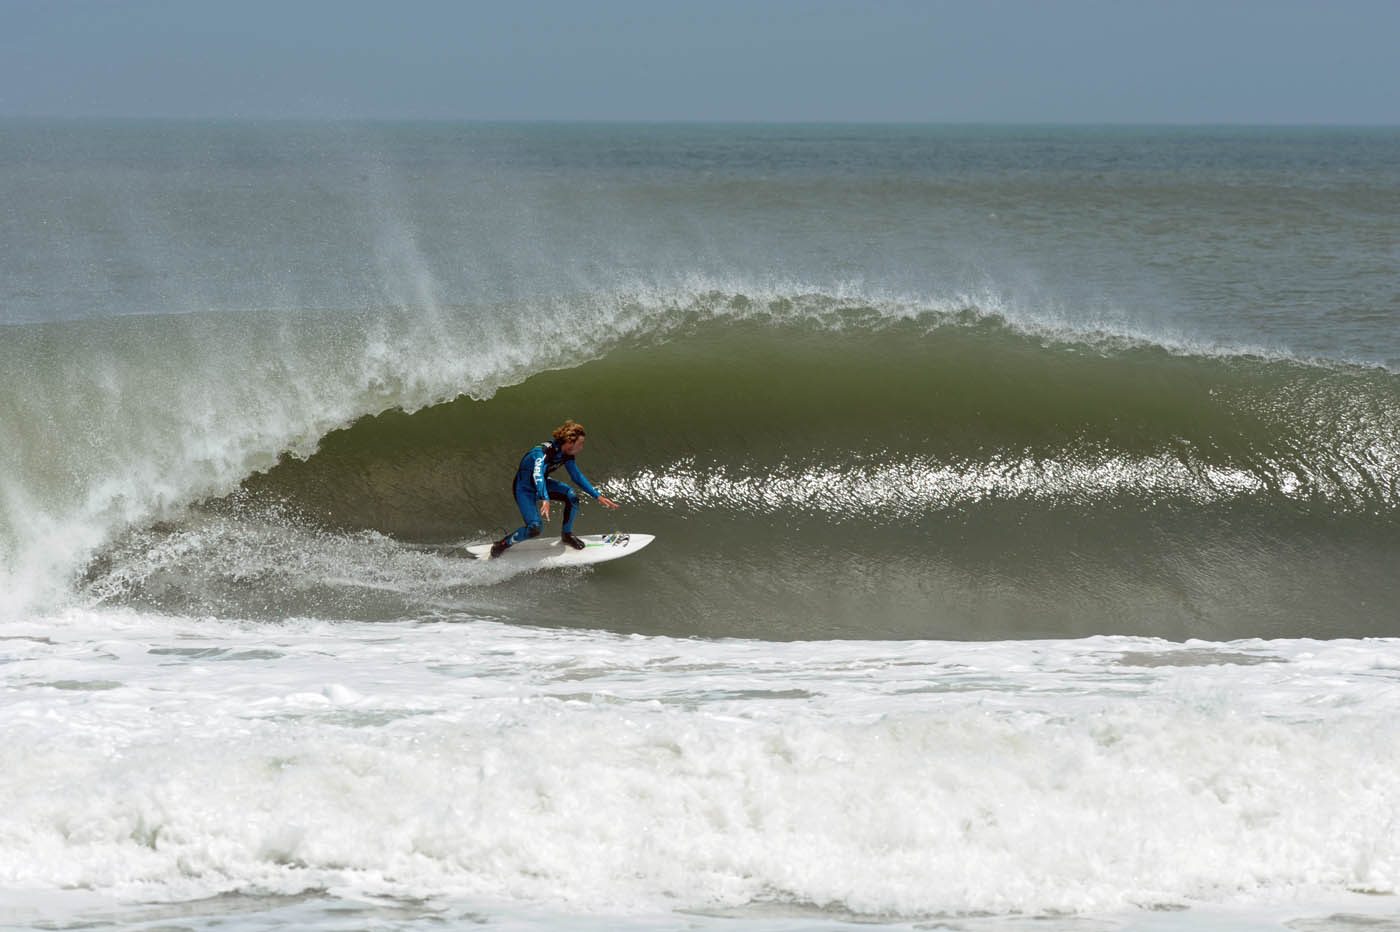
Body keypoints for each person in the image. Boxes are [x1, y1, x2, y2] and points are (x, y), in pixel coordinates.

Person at [490, 419, 619, 558]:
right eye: (580, 444)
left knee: (572, 496)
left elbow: (576, 476)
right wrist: (545, 498)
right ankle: (502, 544)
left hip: (542, 485)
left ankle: (567, 535)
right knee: (535, 528)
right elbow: (537, 474)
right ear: (570, 443)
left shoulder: (567, 454)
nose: (581, 447)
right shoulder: (543, 452)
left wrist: (598, 496)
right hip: (524, 489)